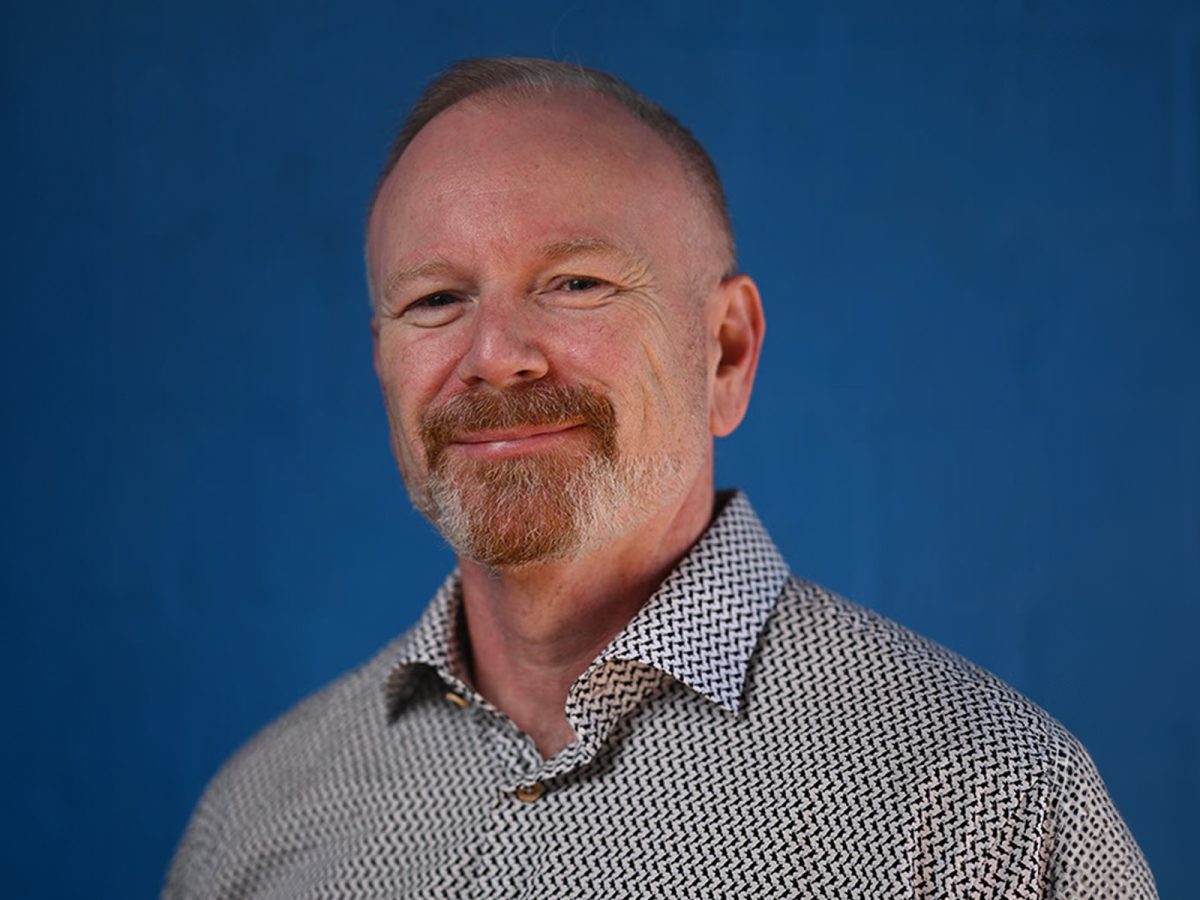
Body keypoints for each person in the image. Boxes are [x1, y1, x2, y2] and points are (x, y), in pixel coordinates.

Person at [164, 58, 1157, 898]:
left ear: (725, 350)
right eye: (434, 298)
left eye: (577, 283)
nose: (497, 355)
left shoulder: (988, 807)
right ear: (382, 359)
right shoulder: (256, 820)